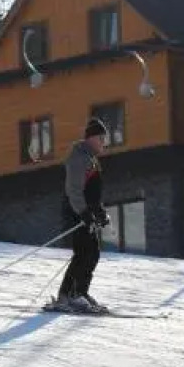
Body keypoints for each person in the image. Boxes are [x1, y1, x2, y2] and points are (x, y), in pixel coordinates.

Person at [48, 117, 110, 314]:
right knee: (85, 253)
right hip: (76, 214)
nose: (103, 142)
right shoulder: (78, 158)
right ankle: (72, 295)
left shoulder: (91, 159)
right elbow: (74, 191)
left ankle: (76, 292)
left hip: (85, 214)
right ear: (91, 138)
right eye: (101, 138)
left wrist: (99, 212)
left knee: (90, 253)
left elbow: (92, 192)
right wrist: (84, 213)